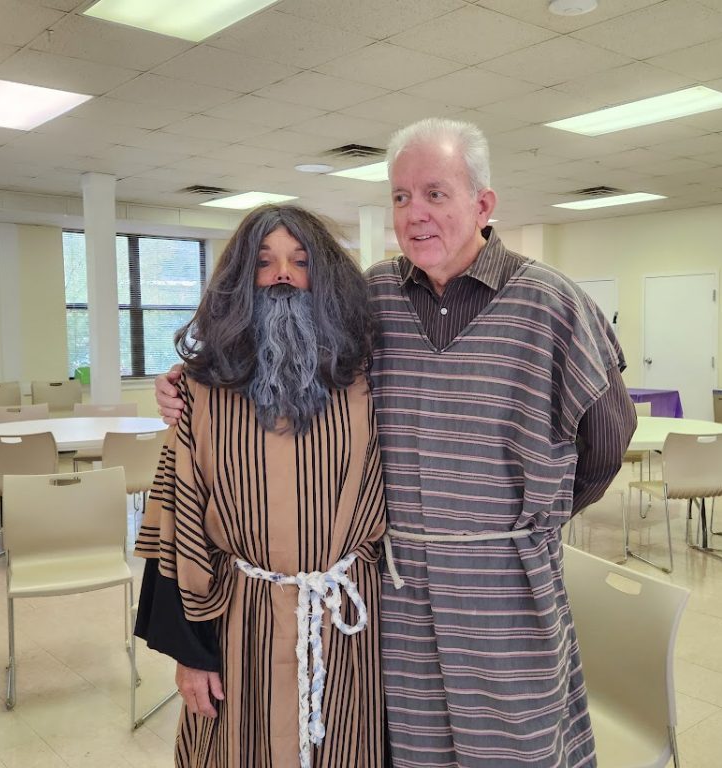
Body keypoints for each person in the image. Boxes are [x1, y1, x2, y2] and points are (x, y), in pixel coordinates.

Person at [157, 118, 636, 767]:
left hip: (504, 586)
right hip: (398, 591)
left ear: (483, 204)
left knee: (516, 747)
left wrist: (521, 524)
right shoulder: (373, 297)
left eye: (436, 193)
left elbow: (607, 439)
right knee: (414, 749)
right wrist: (188, 380)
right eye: (402, 197)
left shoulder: (551, 302)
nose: (415, 214)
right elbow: (278, 346)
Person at [135, 204, 387, 768]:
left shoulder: (367, 378)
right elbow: (176, 523)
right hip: (240, 626)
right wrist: (190, 655)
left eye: (301, 262)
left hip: (347, 627)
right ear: (240, 281)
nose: (283, 276)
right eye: (265, 263)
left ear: (325, 278)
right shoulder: (202, 390)